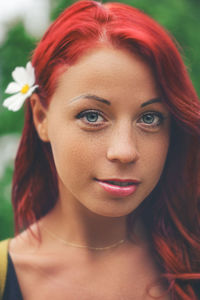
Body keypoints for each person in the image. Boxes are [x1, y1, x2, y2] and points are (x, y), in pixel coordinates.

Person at [0, 0, 200, 299]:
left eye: (150, 118)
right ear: (41, 117)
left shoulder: (191, 263)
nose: (125, 151)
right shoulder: (8, 277)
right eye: (92, 116)